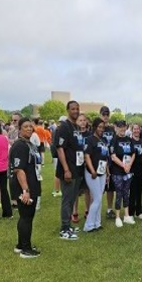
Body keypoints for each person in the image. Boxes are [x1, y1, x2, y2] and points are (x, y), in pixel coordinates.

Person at [9, 118, 42, 258]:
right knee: (26, 217)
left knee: (26, 216)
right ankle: (26, 249)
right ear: (19, 129)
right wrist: (25, 191)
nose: (29, 128)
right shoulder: (20, 146)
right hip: (24, 186)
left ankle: (21, 244)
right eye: (25, 126)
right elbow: (19, 170)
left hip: (32, 183)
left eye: (30, 126)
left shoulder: (29, 144)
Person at [55, 101, 84, 240]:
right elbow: (60, 149)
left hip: (77, 169)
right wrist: (66, 169)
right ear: (68, 110)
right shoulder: (64, 127)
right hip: (68, 170)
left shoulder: (76, 127)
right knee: (67, 199)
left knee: (72, 199)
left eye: (77, 109)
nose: (76, 111)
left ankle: (69, 225)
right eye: (73, 109)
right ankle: (64, 229)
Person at [83, 117, 109, 232]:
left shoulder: (104, 140)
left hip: (102, 173)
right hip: (92, 173)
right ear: (94, 127)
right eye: (99, 127)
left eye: (103, 127)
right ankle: (88, 225)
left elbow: (105, 157)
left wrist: (107, 172)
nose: (101, 129)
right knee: (97, 198)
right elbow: (87, 155)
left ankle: (97, 223)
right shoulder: (90, 139)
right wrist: (92, 170)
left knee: (99, 199)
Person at [110, 120, 136, 227]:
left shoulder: (129, 140)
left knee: (126, 193)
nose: (122, 129)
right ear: (117, 127)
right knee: (119, 193)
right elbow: (113, 156)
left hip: (128, 171)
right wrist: (123, 165)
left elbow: (133, 153)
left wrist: (129, 165)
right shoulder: (114, 140)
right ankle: (117, 217)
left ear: (126, 127)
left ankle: (126, 215)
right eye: (120, 127)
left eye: (124, 127)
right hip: (118, 172)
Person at [72, 114, 91, 223]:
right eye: (80, 120)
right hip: (76, 165)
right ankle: (74, 212)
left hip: (87, 165)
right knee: (75, 190)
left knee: (87, 189)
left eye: (84, 120)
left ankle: (87, 210)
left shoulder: (90, 134)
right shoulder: (74, 134)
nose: (82, 122)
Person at [100, 106, 116, 219]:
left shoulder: (112, 129)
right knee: (99, 187)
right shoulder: (97, 129)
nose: (105, 116)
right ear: (100, 115)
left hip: (111, 161)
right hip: (100, 161)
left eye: (107, 114)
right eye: (103, 114)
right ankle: (96, 209)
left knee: (110, 187)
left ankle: (109, 209)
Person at [129, 124, 142, 219]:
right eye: (134, 129)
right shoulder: (129, 141)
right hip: (132, 170)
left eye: (137, 129)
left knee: (139, 191)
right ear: (132, 130)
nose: (136, 130)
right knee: (132, 192)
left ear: (140, 130)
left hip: (141, 170)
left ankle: (139, 211)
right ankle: (131, 212)